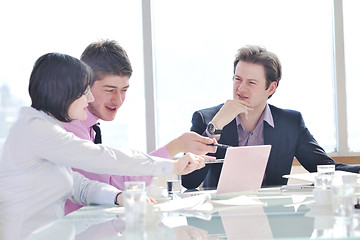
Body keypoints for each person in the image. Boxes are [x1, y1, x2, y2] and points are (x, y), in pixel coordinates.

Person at [0, 52, 211, 239]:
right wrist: (171, 166)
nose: (89, 98)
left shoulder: (47, 132)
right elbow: (102, 158)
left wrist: (118, 196)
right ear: (62, 93)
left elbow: (79, 186)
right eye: (84, 92)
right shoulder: (36, 130)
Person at [62, 40, 217, 214]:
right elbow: (114, 186)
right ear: (85, 84)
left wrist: (177, 149)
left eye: (124, 90)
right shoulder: (71, 126)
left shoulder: (89, 126)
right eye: (110, 90)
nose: (118, 100)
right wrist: (175, 147)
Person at [181, 45, 360, 190]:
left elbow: (324, 168)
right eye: (237, 79)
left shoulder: (290, 123)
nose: (241, 89)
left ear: (271, 88)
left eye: (251, 82)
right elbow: (189, 182)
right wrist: (216, 126)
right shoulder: (206, 119)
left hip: (272, 222)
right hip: (219, 225)